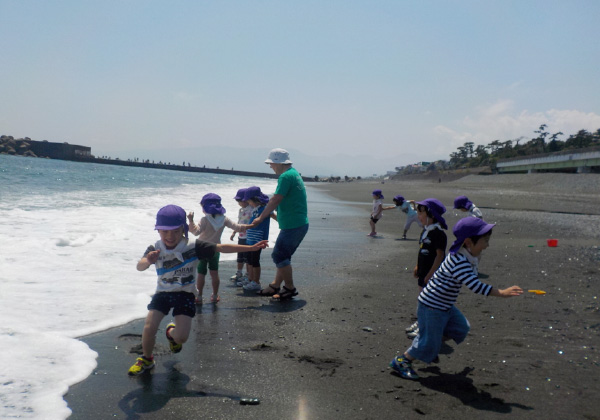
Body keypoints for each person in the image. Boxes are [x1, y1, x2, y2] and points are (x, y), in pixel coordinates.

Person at [128, 205, 268, 376]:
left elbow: (221, 247)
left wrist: (251, 248)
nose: (170, 236)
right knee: (149, 327)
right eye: (165, 231)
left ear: (184, 229)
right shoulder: (155, 248)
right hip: (162, 293)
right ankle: (147, 359)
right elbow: (140, 266)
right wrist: (148, 260)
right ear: (158, 230)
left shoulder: (194, 246)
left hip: (185, 294)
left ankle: (171, 334)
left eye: (175, 231)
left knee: (182, 338)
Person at [390, 217, 523, 380]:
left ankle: (430, 342)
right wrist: (501, 292)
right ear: (468, 242)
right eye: (485, 241)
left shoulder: (465, 256)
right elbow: (475, 286)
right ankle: (401, 361)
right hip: (432, 306)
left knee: (461, 328)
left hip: (444, 305)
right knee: (428, 342)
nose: (487, 245)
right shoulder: (459, 261)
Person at [246, 148, 308, 300]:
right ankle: (275, 285)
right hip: (296, 223)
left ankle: (290, 288)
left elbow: (276, 199)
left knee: (278, 255)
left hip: (294, 224)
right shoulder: (293, 173)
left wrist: (261, 218)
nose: (270, 166)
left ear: (279, 163)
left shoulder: (285, 177)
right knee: (283, 256)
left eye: (271, 163)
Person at [187, 193, 243, 303]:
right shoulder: (224, 219)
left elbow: (195, 232)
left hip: (202, 248)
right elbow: (237, 227)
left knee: (201, 273)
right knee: (214, 273)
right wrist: (252, 225)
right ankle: (215, 295)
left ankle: (199, 296)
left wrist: (191, 220)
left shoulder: (205, 220)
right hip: (215, 249)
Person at [406, 198, 448, 339]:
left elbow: (439, 255)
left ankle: (425, 327)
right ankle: (421, 322)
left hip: (433, 274)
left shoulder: (438, 233)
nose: (418, 216)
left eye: (421, 214)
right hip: (423, 272)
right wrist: (417, 266)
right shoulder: (425, 231)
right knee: (421, 299)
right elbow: (422, 250)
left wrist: (431, 274)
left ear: (431, 215)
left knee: (429, 302)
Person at [241, 186, 276, 292]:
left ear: (255, 199)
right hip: (250, 238)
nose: (248, 203)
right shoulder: (255, 209)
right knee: (249, 260)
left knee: (255, 260)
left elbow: (274, 216)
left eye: (249, 201)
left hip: (258, 238)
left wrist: (284, 224)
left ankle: (256, 282)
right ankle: (250, 279)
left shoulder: (265, 209)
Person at [229, 188, 253, 285]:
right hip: (241, 236)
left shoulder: (251, 209)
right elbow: (238, 223)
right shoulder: (241, 210)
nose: (239, 203)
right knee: (240, 256)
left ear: (246, 200)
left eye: (240, 201)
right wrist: (234, 232)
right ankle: (239, 273)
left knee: (247, 258)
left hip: (248, 237)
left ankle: (247, 275)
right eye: (237, 201)